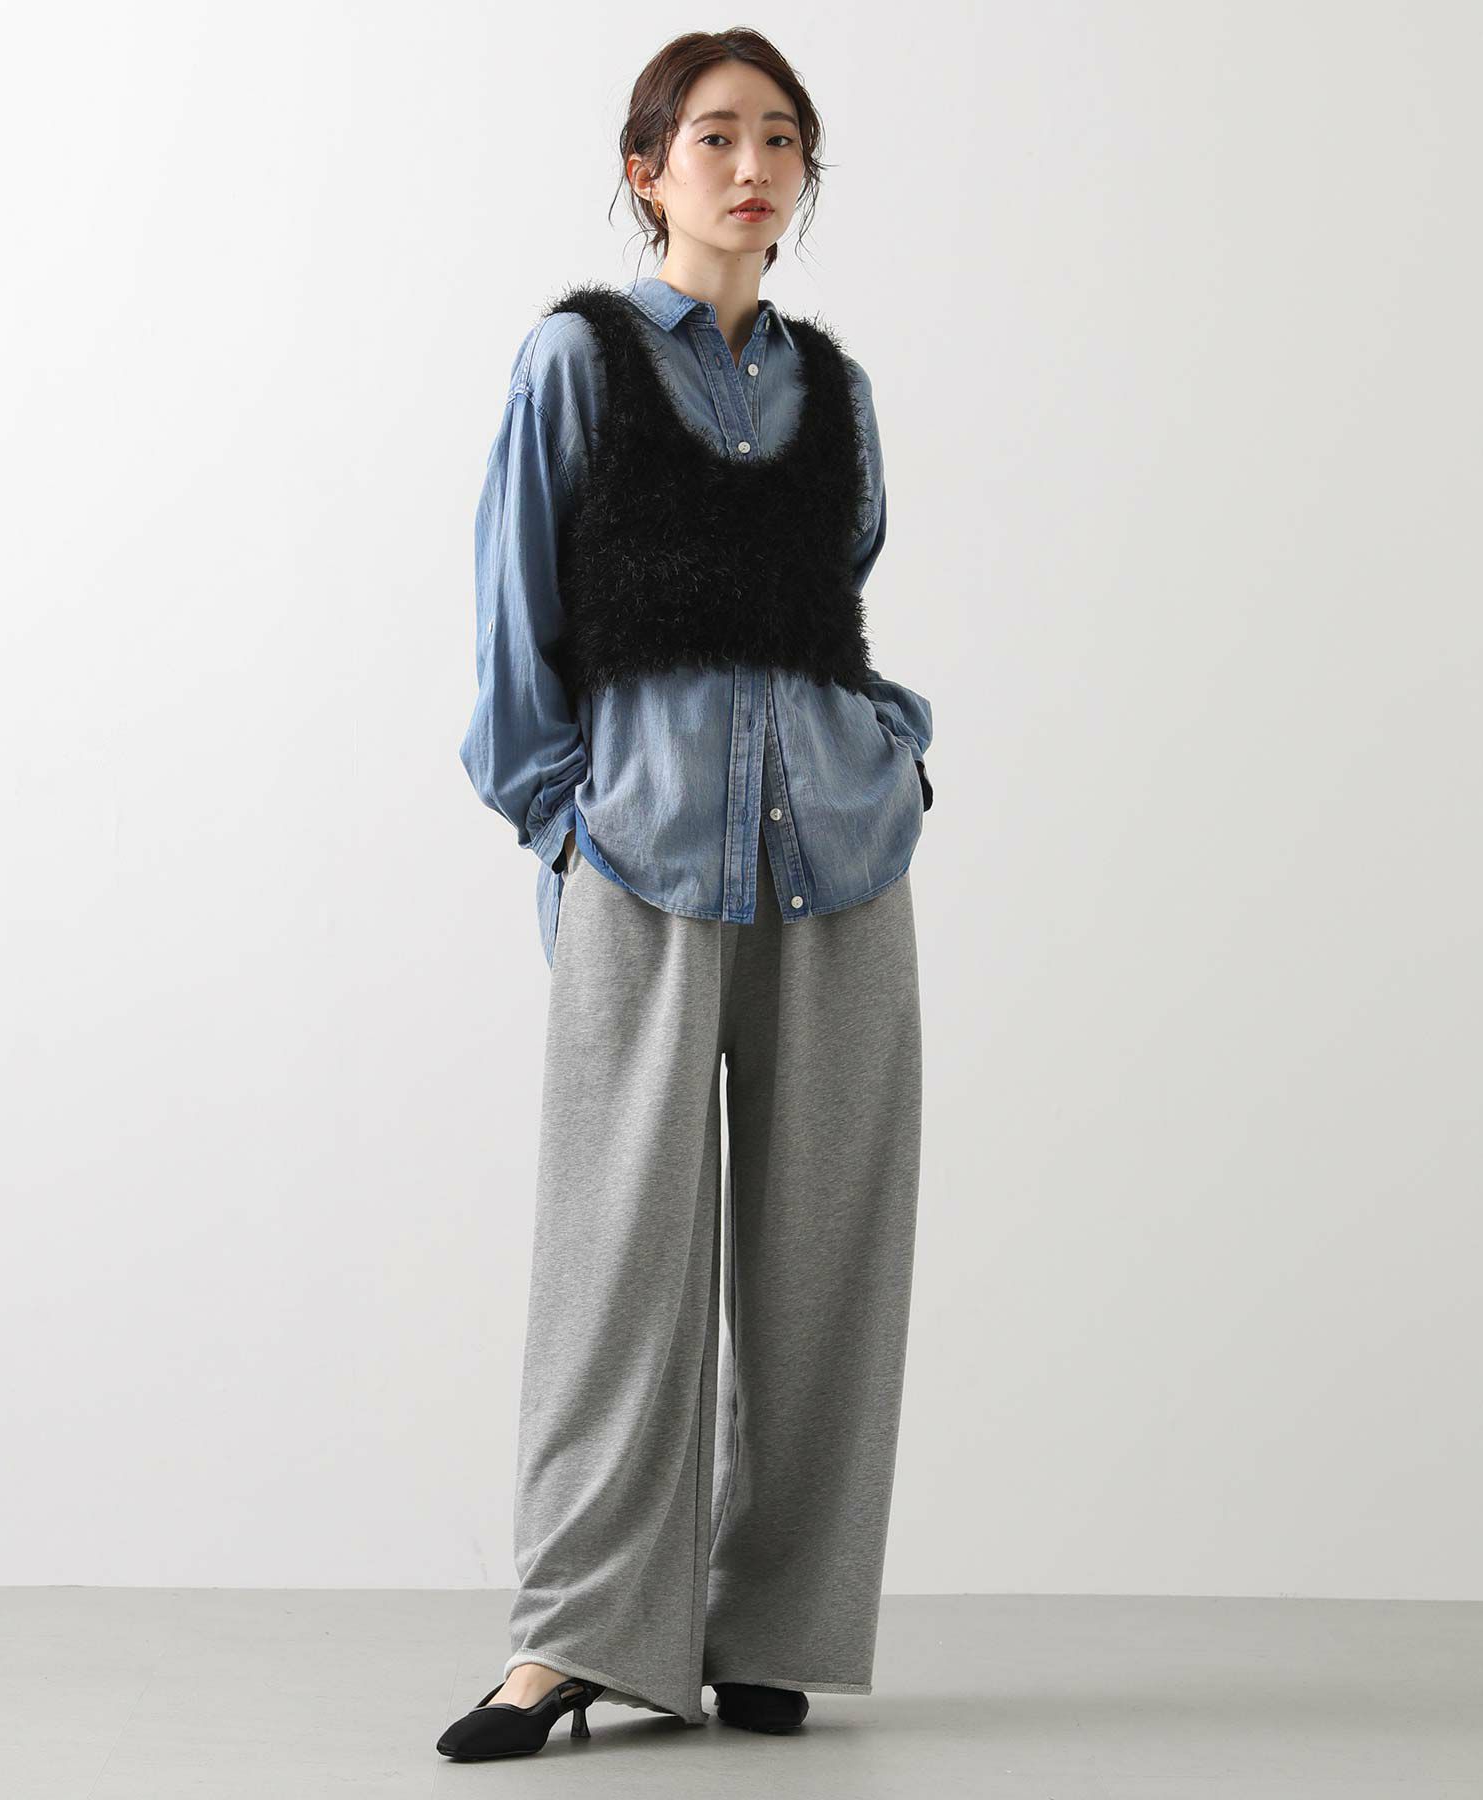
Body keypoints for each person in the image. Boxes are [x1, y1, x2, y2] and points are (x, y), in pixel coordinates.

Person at [439, 26, 933, 1764]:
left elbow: (834, 598)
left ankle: (771, 1630)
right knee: (615, 1261)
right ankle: (576, 1639)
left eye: (782, 139)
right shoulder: (574, 361)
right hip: (639, 854)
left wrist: (896, 758)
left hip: (839, 862)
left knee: (827, 1258)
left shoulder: (836, 390)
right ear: (646, 168)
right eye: (715, 135)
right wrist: (564, 827)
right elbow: (515, 634)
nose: (753, 166)